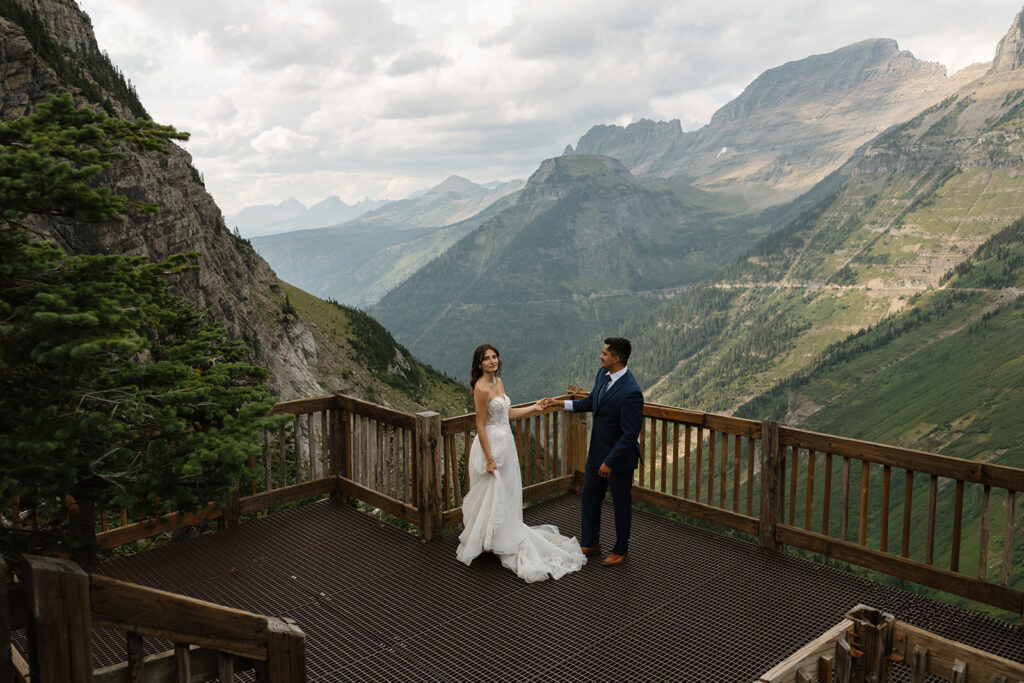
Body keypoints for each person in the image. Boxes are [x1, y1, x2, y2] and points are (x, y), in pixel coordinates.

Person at [455, 344, 587, 582]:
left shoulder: (499, 382)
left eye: (495, 357)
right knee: (489, 493)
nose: (493, 361)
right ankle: (487, 541)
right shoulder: (481, 387)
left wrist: (533, 408)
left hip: (506, 443)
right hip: (491, 446)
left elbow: (506, 414)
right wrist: (489, 458)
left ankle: (497, 537)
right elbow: (481, 426)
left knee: (504, 493)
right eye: (487, 359)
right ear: (479, 364)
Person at [543, 337, 643, 566]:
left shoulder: (631, 391)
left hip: (619, 460)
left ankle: (621, 549)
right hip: (597, 452)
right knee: (589, 497)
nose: (601, 356)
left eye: (605, 353)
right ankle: (591, 543)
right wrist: (560, 404)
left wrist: (610, 462)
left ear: (616, 359)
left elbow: (629, 434)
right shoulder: (602, 375)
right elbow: (591, 402)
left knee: (620, 504)